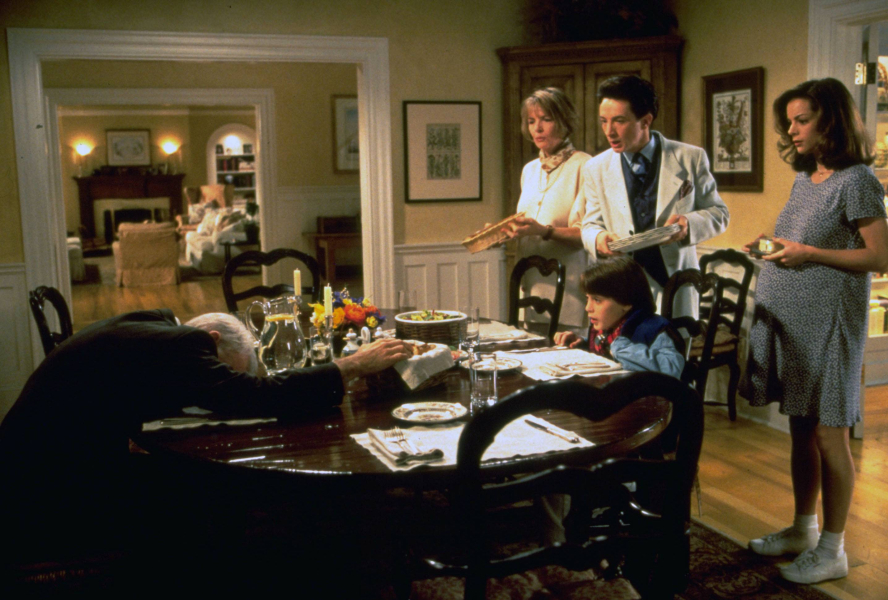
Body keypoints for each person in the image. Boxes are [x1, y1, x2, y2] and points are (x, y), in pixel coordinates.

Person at [0, 309, 411, 568]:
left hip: (31, 466)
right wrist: (350, 366)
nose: (223, 381)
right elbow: (253, 396)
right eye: (228, 370)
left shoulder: (157, 329)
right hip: (46, 495)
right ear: (212, 340)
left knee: (199, 480)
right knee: (210, 488)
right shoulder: (185, 345)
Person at [743, 78, 888, 585]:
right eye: (790, 122)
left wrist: (806, 253)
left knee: (830, 433)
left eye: (801, 120)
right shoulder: (807, 179)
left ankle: (833, 549)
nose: (792, 130)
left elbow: (879, 256)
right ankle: (803, 529)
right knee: (801, 430)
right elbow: (802, 240)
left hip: (830, 323)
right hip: (793, 323)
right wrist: (773, 245)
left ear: (831, 120)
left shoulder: (858, 180)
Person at [581, 75, 729, 318]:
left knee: (674, 343)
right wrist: (598, 238)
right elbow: (589, 224)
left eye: (619, 121)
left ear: (646, 121)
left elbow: (719, 214)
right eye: (603, 121)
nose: (609, 131)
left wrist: (688, 224)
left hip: (674, 282)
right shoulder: (596, 168)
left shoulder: (690, 158)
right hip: (620, 290)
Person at [501, 87, 592, 334]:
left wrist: (544, 231)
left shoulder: (585, 166)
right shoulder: (530, 170)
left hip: (570, 294)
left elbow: (586, 236)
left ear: (564, 121)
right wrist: (501, 233)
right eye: (531, 121)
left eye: (546, 119)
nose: (537, 128)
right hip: (529, 290)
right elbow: (526, 227)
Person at [553, 256, 684, 378]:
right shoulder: (609, 326)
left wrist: (621, 349)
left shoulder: (654, 329)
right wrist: (583, 344)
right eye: (588, 298)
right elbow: (606, 350)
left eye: (597, 300)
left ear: (626, 302)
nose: (588, 307)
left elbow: (671, 369)